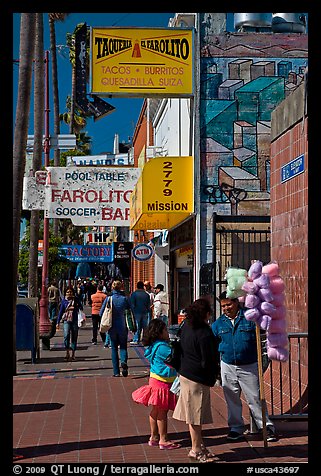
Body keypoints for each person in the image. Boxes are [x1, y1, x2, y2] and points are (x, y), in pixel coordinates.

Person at [211, 291, 278, 443]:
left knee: (255, 397)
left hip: (249, 365)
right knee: (232, 398)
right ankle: (236, 428)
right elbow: (213, 344)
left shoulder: (250, 317)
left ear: (236, 302)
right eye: (223, 306)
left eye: (229, 304)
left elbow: (266, 328)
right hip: (227, 365)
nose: (226, 308)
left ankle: (266, 427)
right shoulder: (218, 324)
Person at [172, 298, 220, 463]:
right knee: (195, 416)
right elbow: (208, 359)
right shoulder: (204, 332)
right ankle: (196, 450)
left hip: (185, 374)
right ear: (206, 314)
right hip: (197, 377)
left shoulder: (186, 327)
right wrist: (214, 375)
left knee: (194, 414)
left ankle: (200, 446)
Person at [131, 318, 181, 450]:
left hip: (154, 379)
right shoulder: (163, 347)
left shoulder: (154, 345)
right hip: (163, 381)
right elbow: (176, 358)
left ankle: (153, 437)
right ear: (159, 332)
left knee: (155, 410)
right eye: (165, 330)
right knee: (162, 412)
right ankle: (163, 439)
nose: (167, 332)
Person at [99, 280, 131, 377]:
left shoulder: (109, 299)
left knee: (113, 348)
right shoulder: (124, 299)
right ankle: (124, 361)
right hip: (122, 325)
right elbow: (129, 310)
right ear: (121, 287)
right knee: (123, 346)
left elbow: (101, 313)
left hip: (112, 326)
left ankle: (116, 372)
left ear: (112, 287)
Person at [56, 286, 83, 362]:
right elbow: (61, 312)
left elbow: (81, 307)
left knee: (74, 337)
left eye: (70, 292)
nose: (69, 293)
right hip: (66, 320)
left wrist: (77, 304)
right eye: (67, 292)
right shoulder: (64, 301)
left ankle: (73, 354)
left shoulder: (76, 300)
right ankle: (67, 352)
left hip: (74, 320)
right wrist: (57, 322)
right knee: (66, 335)